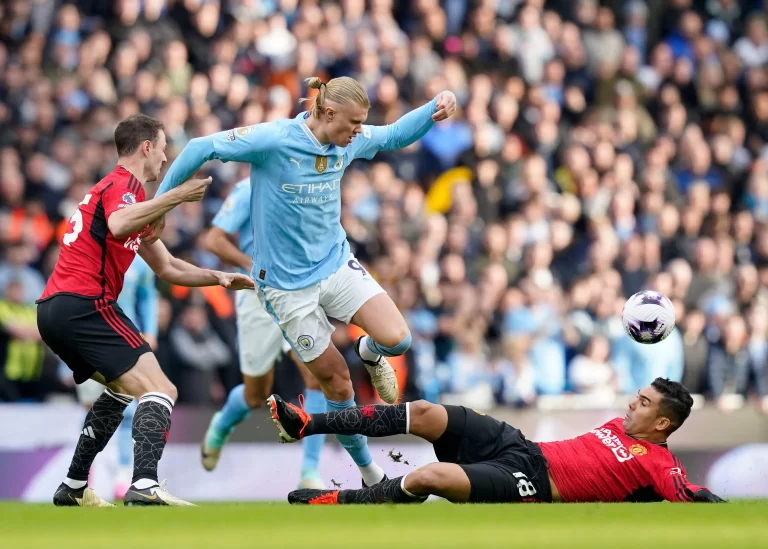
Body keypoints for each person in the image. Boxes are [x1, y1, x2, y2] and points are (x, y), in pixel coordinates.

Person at [155, 76, 457, 487]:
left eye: (359, 124)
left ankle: (369, 350)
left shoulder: (349, 141)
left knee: (398, 339)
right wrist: (159, 205)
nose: (357, 132)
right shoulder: (275, 140)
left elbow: (392, 135)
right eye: (352, 123)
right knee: (321, 383)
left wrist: (432, 108)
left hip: (334, 266)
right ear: (327, 112)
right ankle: (369, 472)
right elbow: (199, 147)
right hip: (283, 289)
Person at [36, 114, 255, 507]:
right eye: (164, 146)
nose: (167, 157)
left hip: (55, 309)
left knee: (121, 390)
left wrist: (218, 277)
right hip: (86, 303)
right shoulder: (124, 187)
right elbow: (120, 224)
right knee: (162, 388)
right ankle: (145, 484)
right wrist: (174, 197)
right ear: (146, 147)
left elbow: (167, 266)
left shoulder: (117, 194)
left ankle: (72, 486)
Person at [267, 378, 726, 505]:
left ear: (663, 424)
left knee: (431, 476)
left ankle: (338, 499)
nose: (631, 404)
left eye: (643, 403)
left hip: (531, 484)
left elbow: (691, 495)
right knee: (426, 411)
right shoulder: (617, 425)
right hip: (521, 446)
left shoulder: (658, 466)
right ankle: (305, 423)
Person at [200, 178, 327, 489]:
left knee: (318, 376)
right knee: (255, 394)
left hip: (299, 293)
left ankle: (309, 472)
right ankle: (222, 424)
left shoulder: (310, 185)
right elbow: (213, 240)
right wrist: (250, 265)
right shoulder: (249, 188)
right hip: (257, 297)